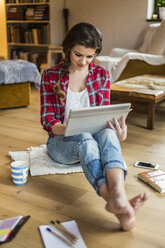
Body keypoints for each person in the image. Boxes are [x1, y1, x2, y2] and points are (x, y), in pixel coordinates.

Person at [40, 22, 149, 231]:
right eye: (78, 54)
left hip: (94, 136)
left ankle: (117, 197)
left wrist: (119, 134)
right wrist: (69, 128)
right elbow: (47, 119)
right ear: (68, 49)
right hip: (61, 142)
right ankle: (117, 200)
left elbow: (103, 115)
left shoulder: (102, 74)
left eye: (89, 56)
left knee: (108, 133)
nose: (83, 62)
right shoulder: (50, 75)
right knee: (85, 138)